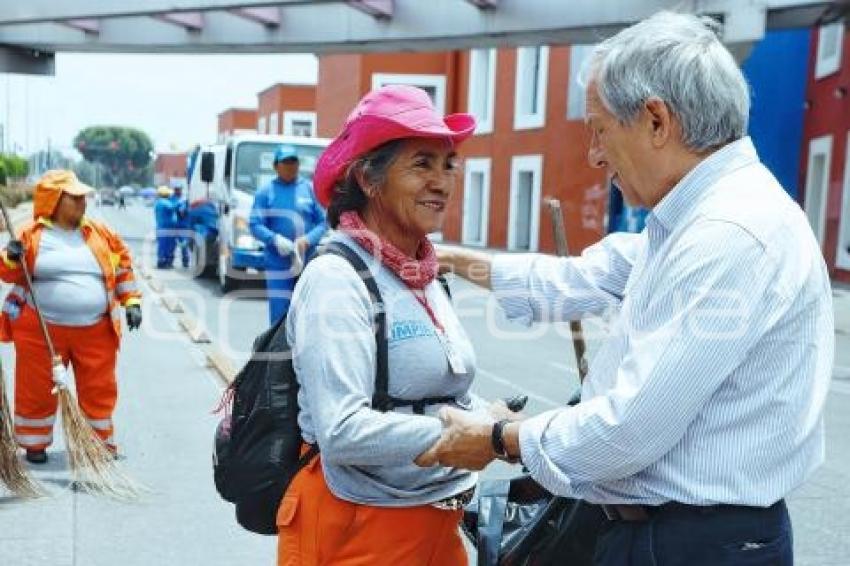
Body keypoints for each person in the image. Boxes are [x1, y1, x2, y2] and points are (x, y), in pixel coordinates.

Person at [423, 12, 833, 566]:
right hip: (670, 532)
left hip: (693, 544)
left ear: (657, 121)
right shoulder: (696, 220)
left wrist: (499, 439)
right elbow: (579, 278)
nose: (594, 153)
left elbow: (627, 430)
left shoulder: (728, 235)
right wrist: (446, 258)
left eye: (600, 128)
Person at [277, 84, 487, 565]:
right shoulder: (337, 278)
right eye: (421, 164)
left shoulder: (423, 272)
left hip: (439, 524)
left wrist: (489, 419)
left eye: (447, 164)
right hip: (357, 526)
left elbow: (442, 392)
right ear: (369, 180)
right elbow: (342, 430)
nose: (442, 181)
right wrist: (467, 436)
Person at [0, 170, 143, 463]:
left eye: (83, 198)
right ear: (54, 201)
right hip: (40, 331)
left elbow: (123, 266)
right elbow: (8, 273)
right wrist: (11, 256)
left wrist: (131, 301)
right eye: (74, 198)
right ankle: (34, 443)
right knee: (35, 388)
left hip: (95, 331)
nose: (82, 203)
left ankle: (98, 444)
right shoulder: (30, 235)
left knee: (99, 388)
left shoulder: (101, 234)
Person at [249, 145, 326, 326]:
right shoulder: (265, 192)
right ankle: (279, 352)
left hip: (306, 261)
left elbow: (323, 222)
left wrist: (308, 239)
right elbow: (254, 224)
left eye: (294, 161)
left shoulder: (309, 189)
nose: (291, 166)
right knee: (280, 312)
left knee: (307, 311)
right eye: (286, 162)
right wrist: (274, 239)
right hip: (278, 262)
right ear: (276, 166)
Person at [153, 185, 177, 268]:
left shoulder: (158, 202)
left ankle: (163, 261)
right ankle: (164, 262)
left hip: (162, 227)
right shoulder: (164, 202)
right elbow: (172, 208)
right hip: (166, 227)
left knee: (163, 245)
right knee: (167, 245)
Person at [170, 184, 190, 268]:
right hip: (173, 225)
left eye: (179, 189)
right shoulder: (171, 198)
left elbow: (183, 212)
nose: (177, 191)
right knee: (172, 244)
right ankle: (170, 261)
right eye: (176, 189)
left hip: (183, 226)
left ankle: (185, 261)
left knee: (184, 245)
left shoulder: (184, 200)